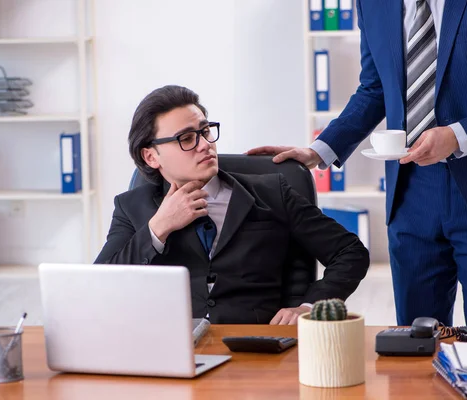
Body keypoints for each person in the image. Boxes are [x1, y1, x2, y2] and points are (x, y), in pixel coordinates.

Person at [248, 0, 467, 328]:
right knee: (416, 344)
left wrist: (457, 136)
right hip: (411, 195)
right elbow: (375, 89)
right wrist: (319, 150)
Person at [94, 85, 369, 325]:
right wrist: (158, 228)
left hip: (257, 349)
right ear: (151, 156)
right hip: (170, 348)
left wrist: (308, 308)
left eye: (205, 131)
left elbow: (350, 252)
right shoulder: (132, 207)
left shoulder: (272, 192)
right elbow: (102, 285)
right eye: (187, 138)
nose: (204, 145)